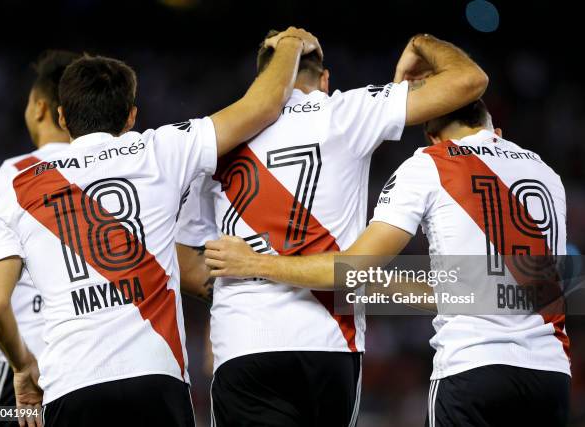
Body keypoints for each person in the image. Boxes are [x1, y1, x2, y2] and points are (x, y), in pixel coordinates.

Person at [0, 27, 320, 427]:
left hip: (72, 386)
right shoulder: (161, 148)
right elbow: (263, 105)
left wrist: (22, 366)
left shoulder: (21, 185)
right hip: (157, 380)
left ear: (62, 117)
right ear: (131, 117)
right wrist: (292, 43)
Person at [177, 33, 487, 426]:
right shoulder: (348, 110)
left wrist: (239, 287)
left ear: (263, 81)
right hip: (330, 346)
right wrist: (419, 43)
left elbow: (186, 260)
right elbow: (468, 81)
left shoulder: (222, 136)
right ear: (324, 80)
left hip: (243, 344)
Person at [205, 99, 571, 427]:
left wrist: (255, 262)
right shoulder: (548, 176)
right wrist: (376, 286)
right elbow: (487, 290)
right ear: (497, 133)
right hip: (552, 376)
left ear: (432, 136)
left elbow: (352, 267)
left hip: (473, 368)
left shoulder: (432, 163)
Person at [0, 50, 80, 427]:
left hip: (24, 370)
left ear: (38, 107)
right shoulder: (116, 170)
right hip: (89, 371)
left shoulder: (15, 172)